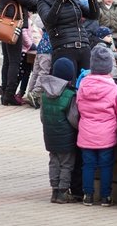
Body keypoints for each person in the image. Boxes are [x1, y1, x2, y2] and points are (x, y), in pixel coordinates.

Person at [77, 48, 117, 206]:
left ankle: (88, 195)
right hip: (107, 135)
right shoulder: (114, 89)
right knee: (106, 166)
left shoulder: (83, 85)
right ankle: (105, 197)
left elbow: (79, 106)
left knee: (88, 165)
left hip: (86, 133)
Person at [37, 0, 100, 76]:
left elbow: (94, 16)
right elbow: (49, 21)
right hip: (64, 49)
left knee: (86, 83)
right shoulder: (44, 2)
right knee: (68, 85)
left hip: (84, 47)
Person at [0, 0, 39, 106]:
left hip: (6, 24)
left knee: (8, 60)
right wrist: (40, 5)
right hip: (14, 24)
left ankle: (5, 92)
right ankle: (9, 95)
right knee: (14, 60)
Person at [39, 57, 79, 204]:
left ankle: (54, 191)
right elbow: (73, 118)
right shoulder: (69, 95)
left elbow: (42, 116)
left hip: (49, 135)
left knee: (54, 161)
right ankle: (63, 192)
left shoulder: (45, 93)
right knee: (66, 164)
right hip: (66, 136)